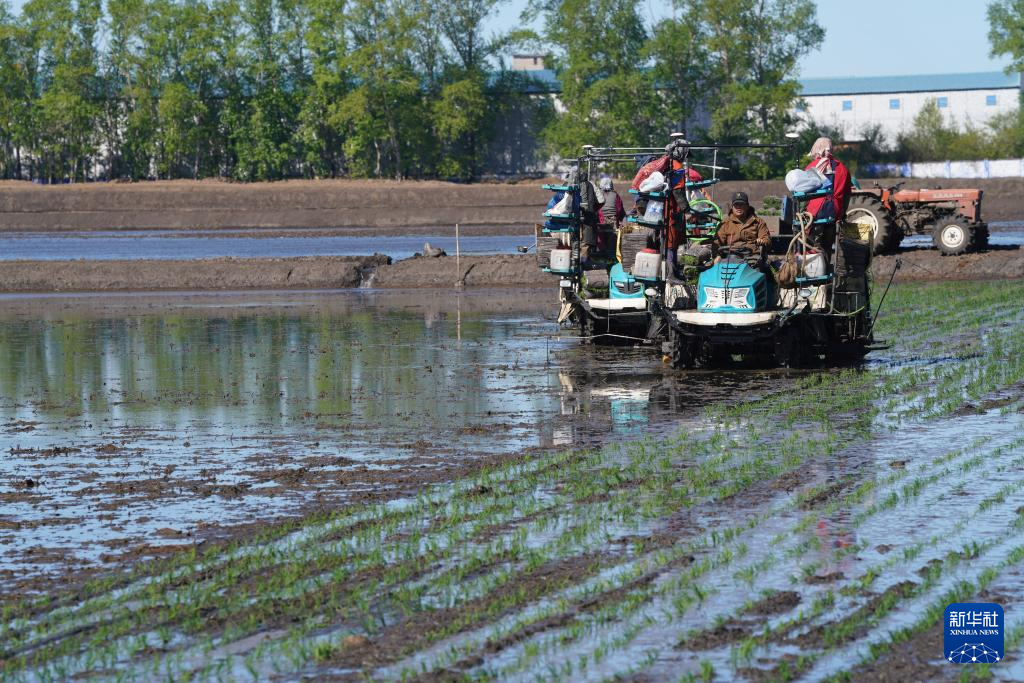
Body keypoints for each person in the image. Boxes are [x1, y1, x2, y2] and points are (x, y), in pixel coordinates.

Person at [804, 137, 851, 224]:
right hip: (836, 212)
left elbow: (805, 194)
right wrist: (842, 214)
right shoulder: (843, 168)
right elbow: (847, 195)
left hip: (815, 211)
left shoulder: (811, 166)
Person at [714, 192, 770, 260]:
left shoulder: (758, 222)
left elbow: (766, 239)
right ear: (732, 207)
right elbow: (717, 243)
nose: (739, 207)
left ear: (747, 206)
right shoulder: (725, 224)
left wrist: (762, 241)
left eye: (742, 204)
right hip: (730, 257)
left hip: (752, 257)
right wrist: (717, 256)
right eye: (736, 205)